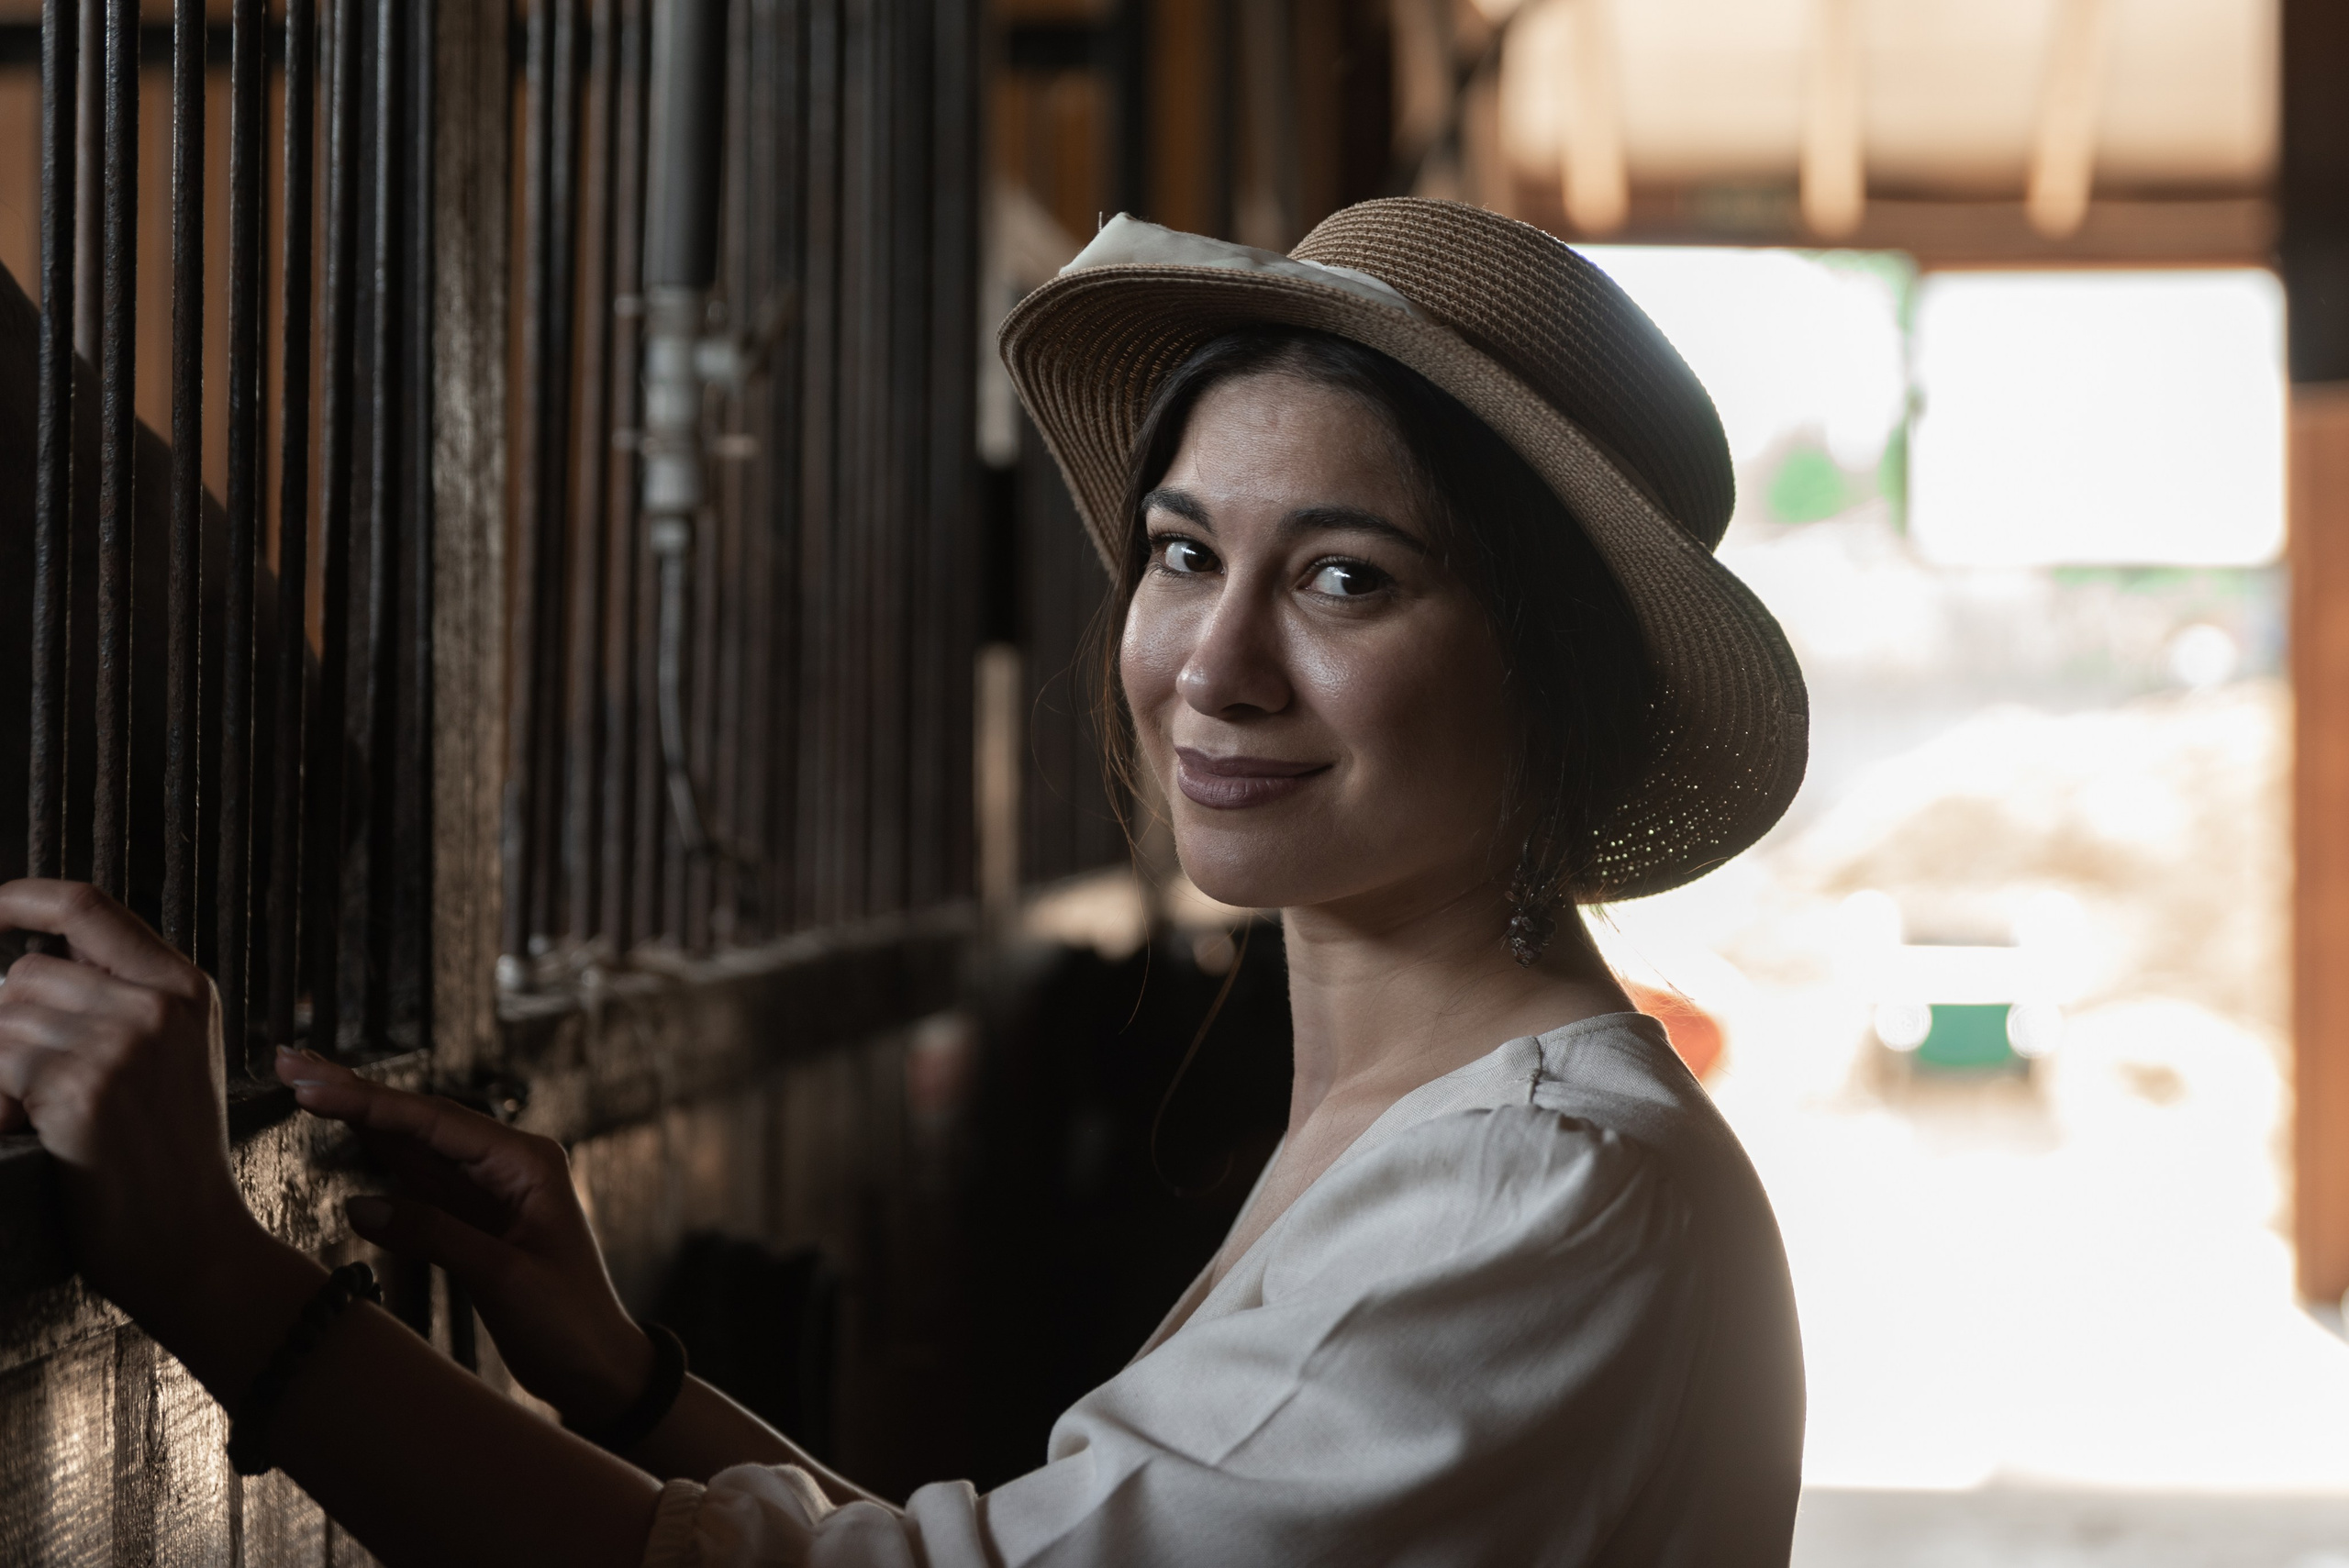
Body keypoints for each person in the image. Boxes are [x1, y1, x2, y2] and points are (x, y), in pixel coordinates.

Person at [0, 197, 1808, 1566]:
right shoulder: (1426, 1127)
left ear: (1553, 681)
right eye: (1183, 553)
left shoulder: (1534, 1187)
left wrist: (202, 1269)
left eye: (1344, 579)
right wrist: (619, 1379)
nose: (1213, 663)